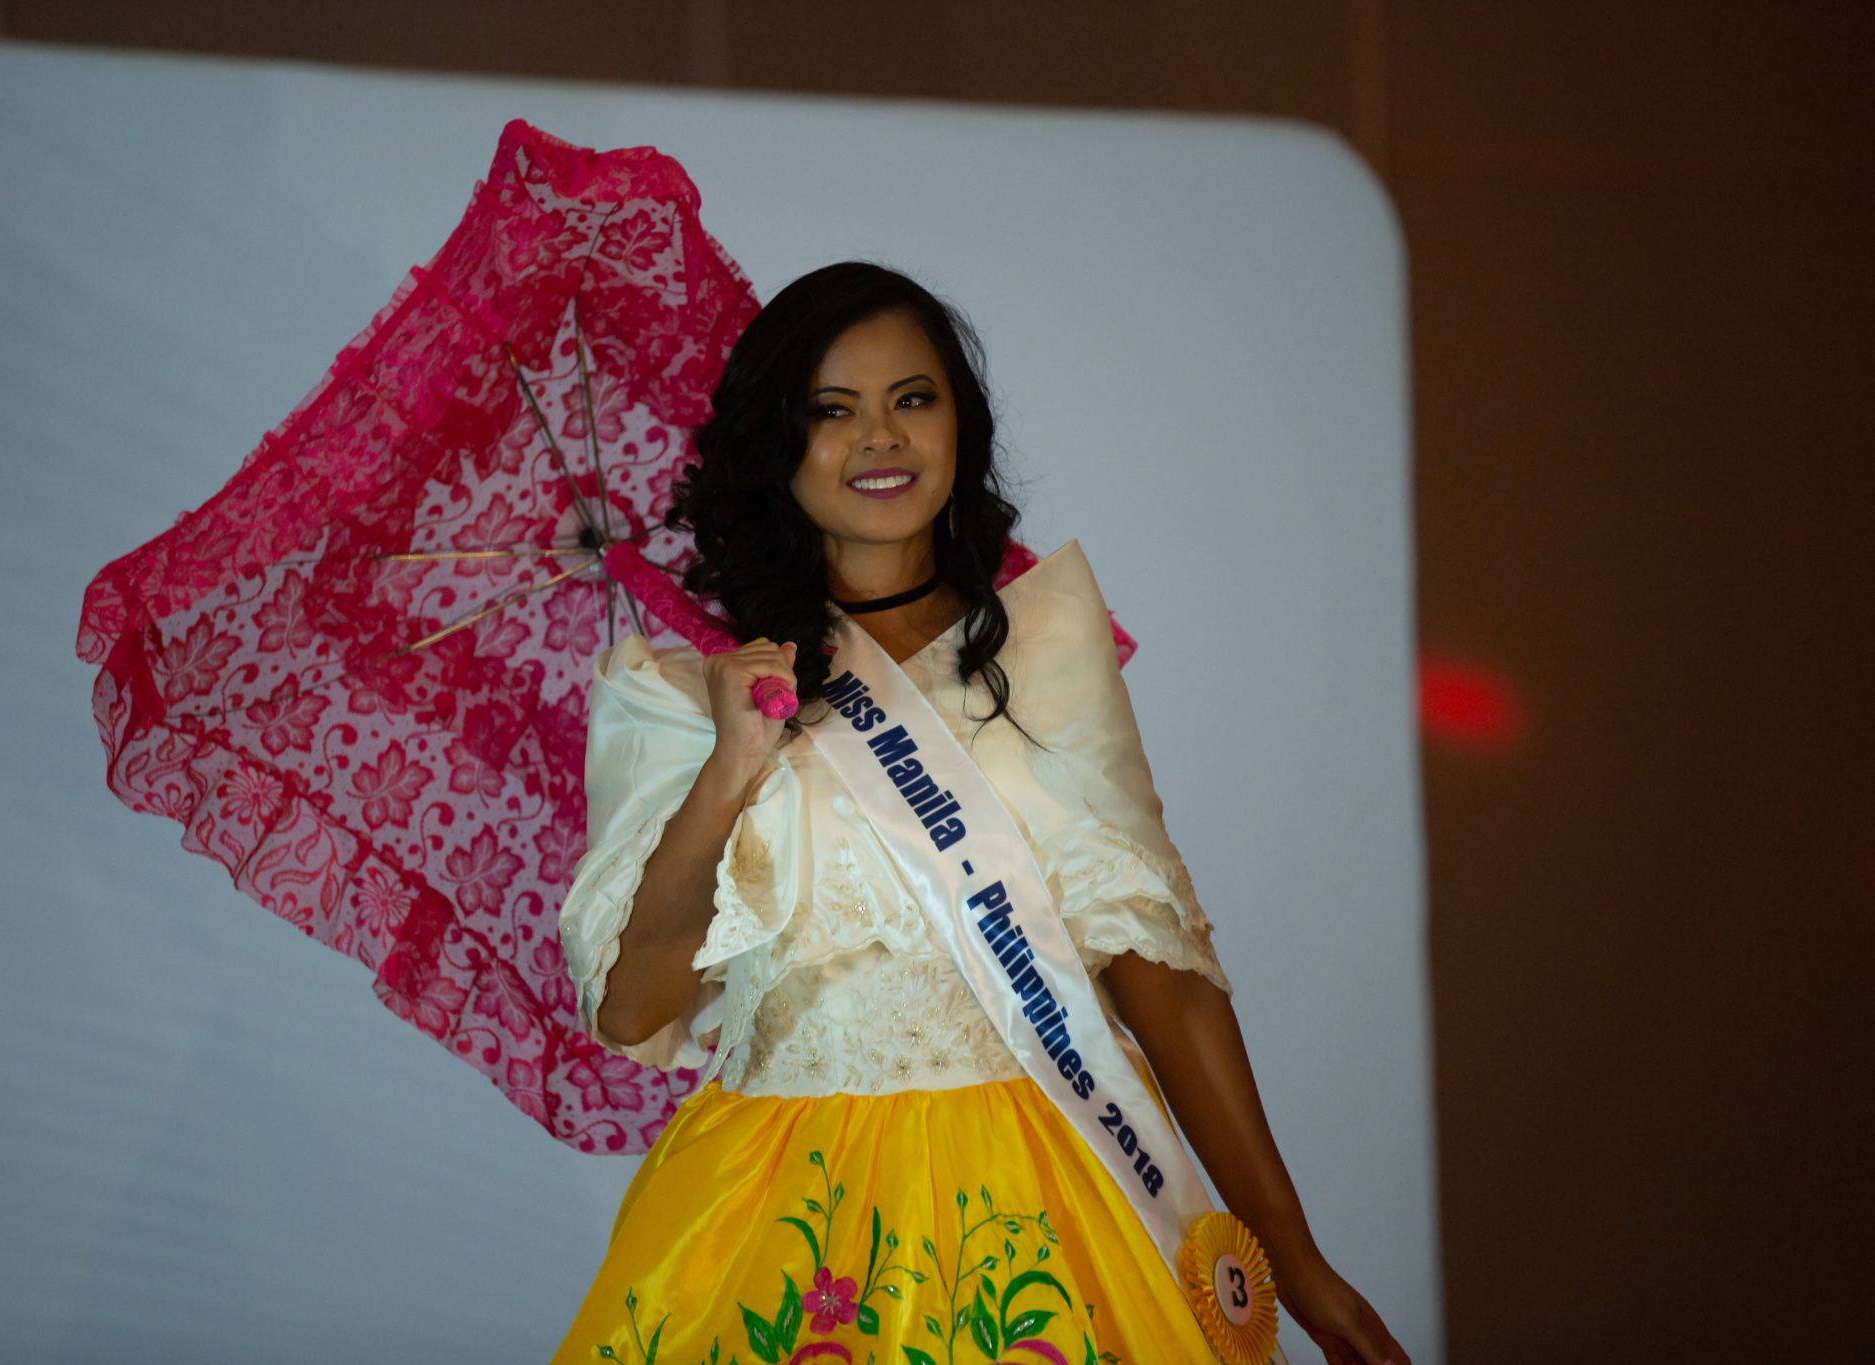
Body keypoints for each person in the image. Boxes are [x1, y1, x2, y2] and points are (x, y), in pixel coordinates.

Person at [554, 263, 1407, 1365]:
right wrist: (729, 766)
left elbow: (1160, 976)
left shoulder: (1047, 653)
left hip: (1050, 1182)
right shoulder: (677, 699)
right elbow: (632, 1006)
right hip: (786, 1209)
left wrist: (1299, 1261)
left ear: (960, 424)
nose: (881, 437)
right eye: (832, 410)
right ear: (775, 447)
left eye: (912, 398)